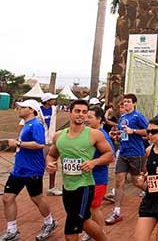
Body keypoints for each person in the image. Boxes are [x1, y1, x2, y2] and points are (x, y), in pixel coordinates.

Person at [46, 99, 114, 241]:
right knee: (84, 221)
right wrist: (50, 164)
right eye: (77, 111)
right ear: (70, 113)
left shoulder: (94, 134)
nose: (81, 115)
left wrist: (94, 162)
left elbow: (109, 155)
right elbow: (52, 155)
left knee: (71, 230)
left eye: (84, 112)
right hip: (68, 186)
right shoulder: (59, 136)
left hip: (84, 186)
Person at [1, 100, 57, 241]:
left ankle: (49, 222)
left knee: (36, 198)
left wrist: (18, 143)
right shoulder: (27, 125)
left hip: (32, 170)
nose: (18, 109)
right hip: (19, 169)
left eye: (22, 107)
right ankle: (12, 230)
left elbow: (40, 144)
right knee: (7, 198)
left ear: (31, 110)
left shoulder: (36, 124)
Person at [106, 94, 149, 225]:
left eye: (128, 102)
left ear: (134, 103)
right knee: (119, 181)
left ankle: (154, 193)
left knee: (137, 182)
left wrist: (134, 131)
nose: (126, 104)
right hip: (124, 153)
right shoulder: (122, 118)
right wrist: (116, 135)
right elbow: (123, 133)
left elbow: (148, 131)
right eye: (124, 102)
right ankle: (117, 211)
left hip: (136, 153)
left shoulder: (138, 116)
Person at [80, 106, 116, 241]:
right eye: (86, 116)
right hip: (86, 178)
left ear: (99, 119)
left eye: (90, 117)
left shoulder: (102, 135)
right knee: (89, 208)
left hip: (98, 179)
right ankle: (93, 231)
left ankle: (100, 234)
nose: (86, 119)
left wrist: (93, 162)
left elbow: (110, 157)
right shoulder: (88, 133)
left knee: (94, 208)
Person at [40, 93, 63, 196]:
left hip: (51, 140)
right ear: (47, 101)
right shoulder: (38, 110)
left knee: (53, 163)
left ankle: (52, 187)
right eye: (52, 99)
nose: (54, 100)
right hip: (41, 141)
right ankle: (37, 187)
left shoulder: (54, 109)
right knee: (40, 165)